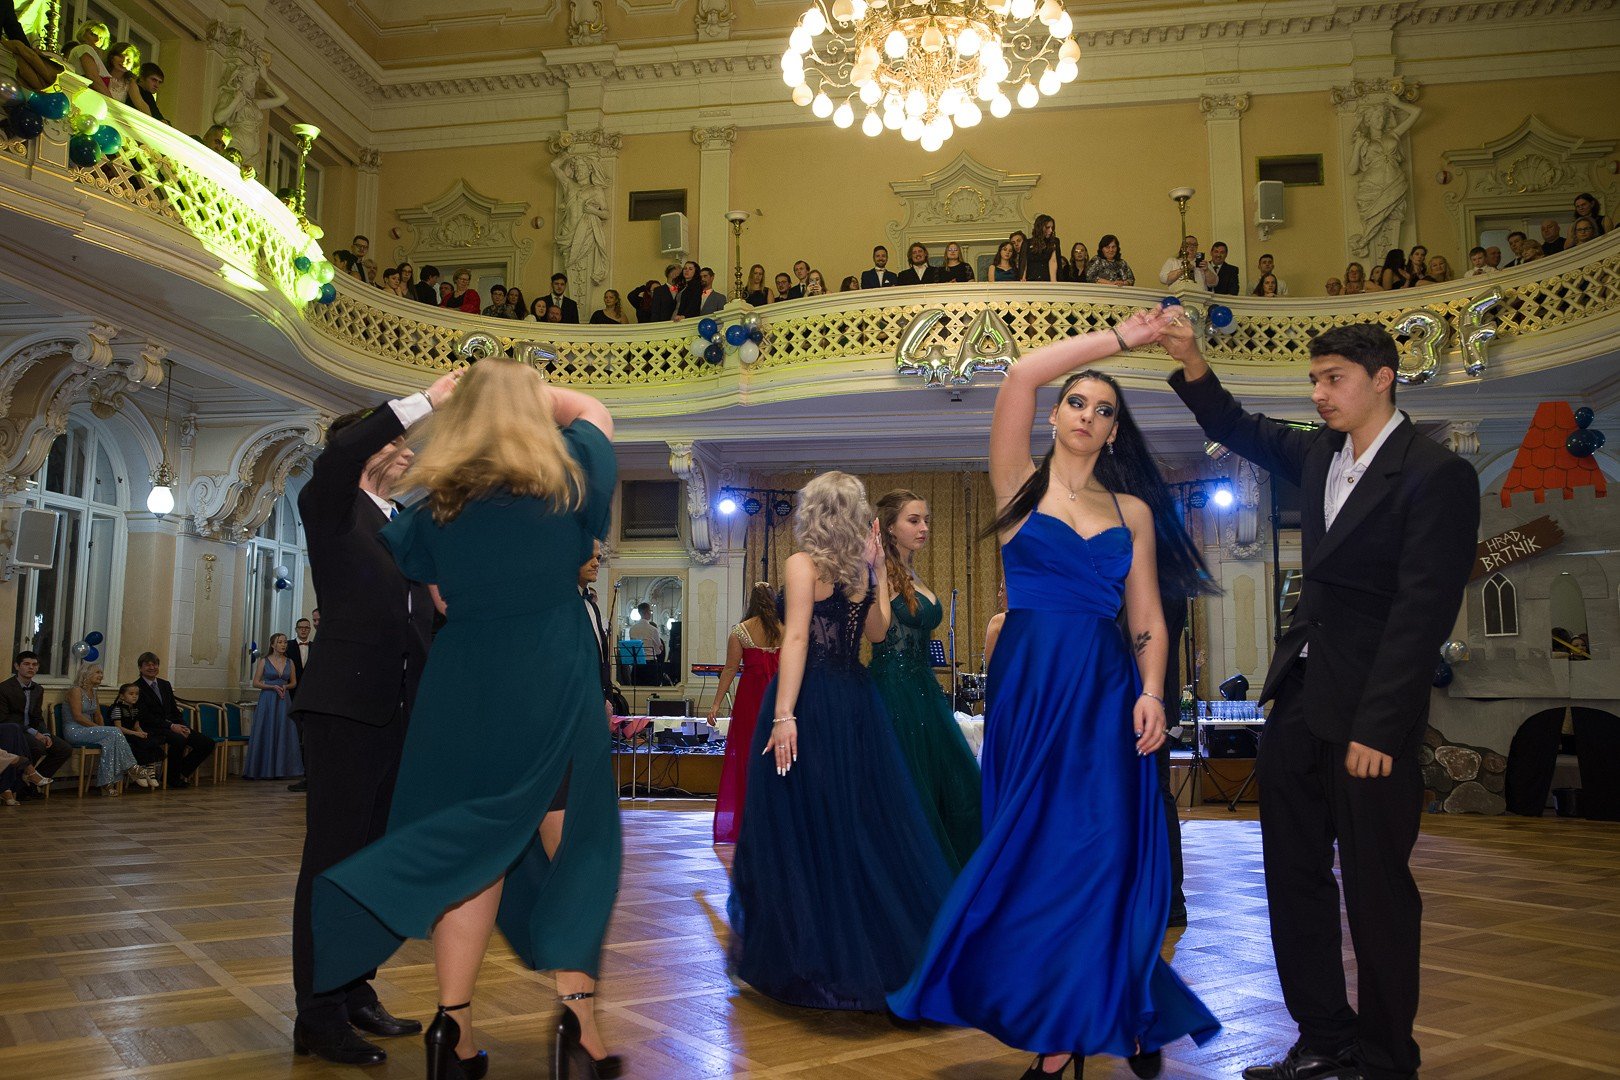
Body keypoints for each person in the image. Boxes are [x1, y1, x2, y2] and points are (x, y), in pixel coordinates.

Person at [889, 309, 1220, 1079]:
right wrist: (1124, 339)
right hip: (1032, 691)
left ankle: (1083, 1027)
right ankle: (1096, 1015)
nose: (1088, 415)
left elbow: (1146, 616)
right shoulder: (1017, 487)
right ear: (1055, 415)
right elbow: (1020, 373)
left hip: (1105, 692)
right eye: (1077, 401)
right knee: (1035, 853)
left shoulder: (1132, 512)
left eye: (1104, 409)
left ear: (1113, 432)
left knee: (1101, 850)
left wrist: (1151, 692)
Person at [1162, 317, 1479, 1080]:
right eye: (1315, 380)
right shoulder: (1318, 454)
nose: (1319, 393)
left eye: (1333, 378)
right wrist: (1191, 359)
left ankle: (1385, 1058)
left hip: (1371, 712)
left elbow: (1423, 611)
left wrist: (1381, 724)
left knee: (1377, 893)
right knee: (1292, 879)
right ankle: (1324, 1039)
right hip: (1301, 699)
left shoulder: (1435, 473)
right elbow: (1235, 425)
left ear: (1382, 378)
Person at [312, 360, 622, 1080]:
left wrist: (480, 393)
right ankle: (579, 1025)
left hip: (462, 690)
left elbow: (441, 597)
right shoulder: (572, 478)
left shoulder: (438, 507)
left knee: (472, 855)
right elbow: (592, 409)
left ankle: (453, 1031)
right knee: (580, 845)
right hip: (550, 677)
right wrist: (531, 390)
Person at [727, 472, 953, 1011]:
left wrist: (784, 714)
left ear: (814, 514)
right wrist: (876, 573)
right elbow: (877, 633)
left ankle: (809, 952)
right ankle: (867, 947)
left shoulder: (802, 564)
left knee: (798, 824)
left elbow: (797, 638)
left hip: (810, 700)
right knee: (852, 821)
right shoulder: (857, 570)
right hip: (854, 701)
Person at [289, 371, 458, 1066]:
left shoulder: (395, 522)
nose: (407, 448)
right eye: (393, 441)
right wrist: (425, 402)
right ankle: (316, 1014)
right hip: (346, 710)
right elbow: (338, 455)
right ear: (364, 447)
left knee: (374, 862)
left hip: (398, 714)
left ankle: (355, 987)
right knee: (332, 863)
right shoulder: (331, 505)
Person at [870, 489, 981, 873]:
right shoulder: (877, 571)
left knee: (959, 789)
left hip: (924, 692)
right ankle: (909, 880)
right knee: (909, 793)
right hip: (893, 692)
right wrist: (877, 572)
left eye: (926, 520)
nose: (924, 528)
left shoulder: (911, 573)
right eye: (914, 520)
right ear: (890, 527)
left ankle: (949, 880)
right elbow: (875, 634)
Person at [707, 582, 782, 845]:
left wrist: (715, 704)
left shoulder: (740, 631)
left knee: (748, 758)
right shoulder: (786, 628)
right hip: (779, 697)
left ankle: (750, 822)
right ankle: (777, 822)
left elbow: (729, 669)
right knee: (780, 759)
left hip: (750, 701)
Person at [62, 664, 151, 793]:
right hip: (74, 730)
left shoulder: (94, 692)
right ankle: (132, 767)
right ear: (86, 674)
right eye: (97, 672)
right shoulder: (75, 690)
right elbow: (78, 717)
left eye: (101, 673)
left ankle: (107, 783)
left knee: (110, 739)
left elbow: (98, 715)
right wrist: (100, 729)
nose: (101, 675)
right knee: (114, 731)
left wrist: (103, 729)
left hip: (89, 730)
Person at [133, 653, 215, 788]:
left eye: (154, 664)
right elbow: (145, 717)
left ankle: (177, 772)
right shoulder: (136, 687)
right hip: (152, 728)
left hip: (172, 725)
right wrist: (171, 726)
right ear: (140, 668)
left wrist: (183, 726)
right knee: (179, 739)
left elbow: (174, 710)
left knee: (207, 743)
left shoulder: (165, 684)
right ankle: (173, 778)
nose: (152, 667)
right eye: (147, 665)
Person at [0, 651, 68, 794]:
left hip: (33, 729)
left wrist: (45, 734)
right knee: (37, 747)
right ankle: (21, 785)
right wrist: (34, 733)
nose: (31, 667)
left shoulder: (38, 689)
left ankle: (30, 783)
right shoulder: (4, 688)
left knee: (64, 749)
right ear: (17, 666)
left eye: (34, 664)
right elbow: (5, 719)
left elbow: (37, 717)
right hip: (14, 730)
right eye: (26, 664)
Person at [245, 633, 301, 780]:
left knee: (284, 730)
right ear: (272, 645)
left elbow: (294, 682)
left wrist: (285, 686)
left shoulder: (290, 662)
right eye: (280, 642)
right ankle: (263, 769)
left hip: (283, 699)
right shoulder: (264, 661)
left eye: (285, 642)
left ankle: (282, 769)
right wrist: (272, 687)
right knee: (267, 729)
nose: (283, 645)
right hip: (268, 699)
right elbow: (256, 682)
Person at [1022, 215, 1061, 282]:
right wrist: (1023, 279)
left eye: (1052, 227)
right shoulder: (1027, 243)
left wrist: (1053, 282)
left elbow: (1053, 261)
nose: (1051, 230)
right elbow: (1024, 262)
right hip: (1031, 280)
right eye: (1047, 227)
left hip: (1047, 280)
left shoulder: (1054, 241)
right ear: (1040, 227)